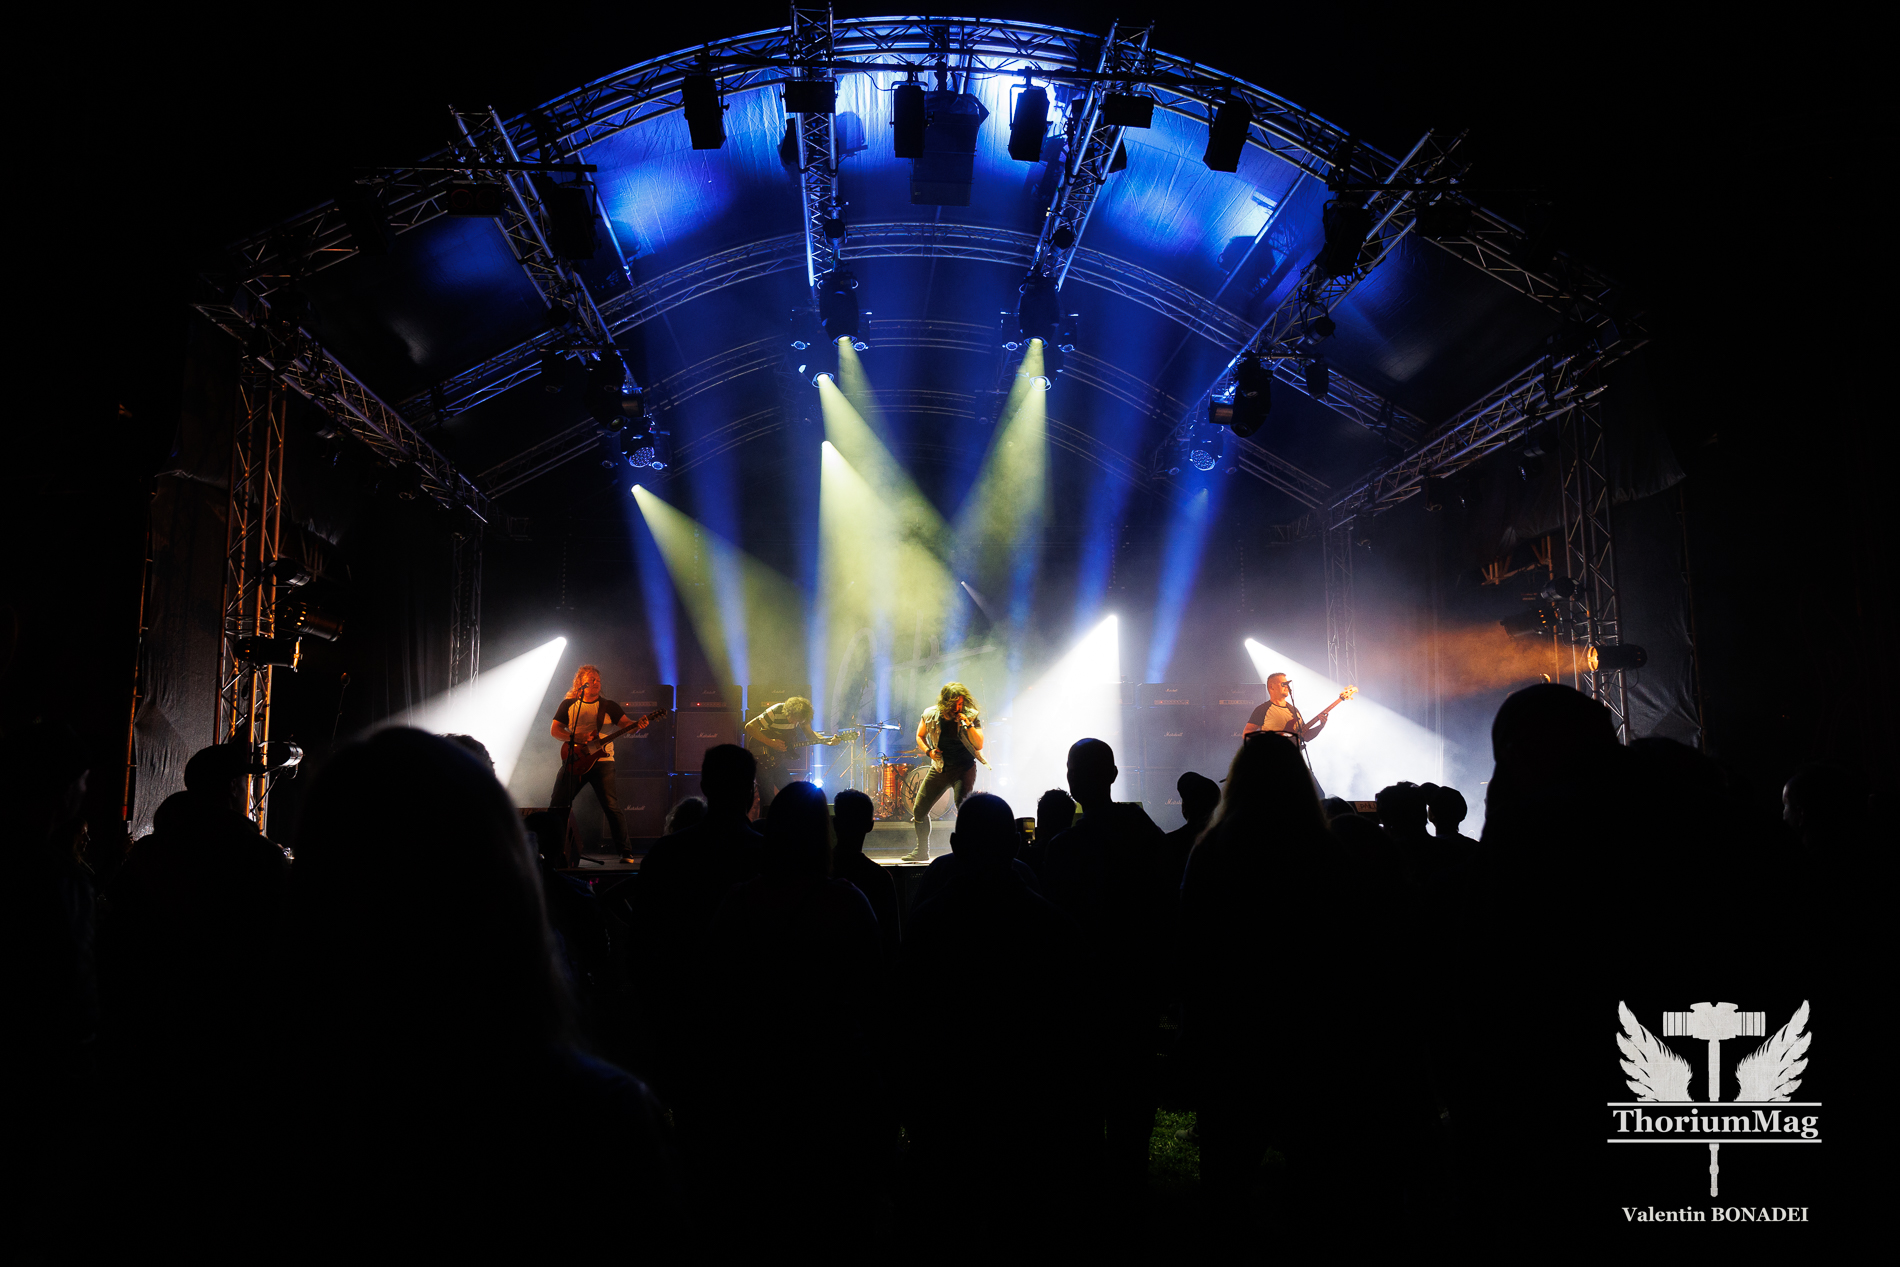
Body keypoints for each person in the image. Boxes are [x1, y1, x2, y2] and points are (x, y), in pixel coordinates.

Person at [549, 664, 649, 862]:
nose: (596, 682)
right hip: (575, 759)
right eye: (592, 679)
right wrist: (576, 737)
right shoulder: (569, 705)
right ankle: (552, 849)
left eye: (598, 680)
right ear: (580, 682)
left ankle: (625, 851)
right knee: (557, 804)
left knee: (611, 806)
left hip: (603, 761)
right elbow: (555, 730)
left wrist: (637, 725)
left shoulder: (609, 706)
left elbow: (627, 726)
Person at [906, 682, 985, 861]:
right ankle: (921, 851)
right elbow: (920, 736)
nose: (958, 707)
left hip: (963, 769)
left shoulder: (971, 715)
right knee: (919, 809)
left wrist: (968, 724)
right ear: (945, 702)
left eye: (961, 703)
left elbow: (979, 744)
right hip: (939, 768)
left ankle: (967, 852)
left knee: (964, 811)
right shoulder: (930, 714)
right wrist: (929, 752)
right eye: (954, 704)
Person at [831, 788, 901, 962]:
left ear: (835, 824)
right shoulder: (881, 878)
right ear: (870, 826)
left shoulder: (818, 872)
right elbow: (892, 942)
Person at [742, 695, 836, 811]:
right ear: (788, 711)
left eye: (798, 721)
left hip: (777, 761)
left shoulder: (802, 717)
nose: (794, 722)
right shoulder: (775, 711)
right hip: (762, 758)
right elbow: (750, 727)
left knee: (792, 793)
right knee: (767, 800)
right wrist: (771, 742)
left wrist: (827, 741)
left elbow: (810, 734)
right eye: (794, 718)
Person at [1242, 671, 1328, 743]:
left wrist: (1320, 726)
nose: (1287, 686)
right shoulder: (1263, 709)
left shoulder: (1294, 710)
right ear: (1271, 686)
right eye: (1283, 684)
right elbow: (1247, 733)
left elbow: (1306, 737)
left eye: (1287, 684)